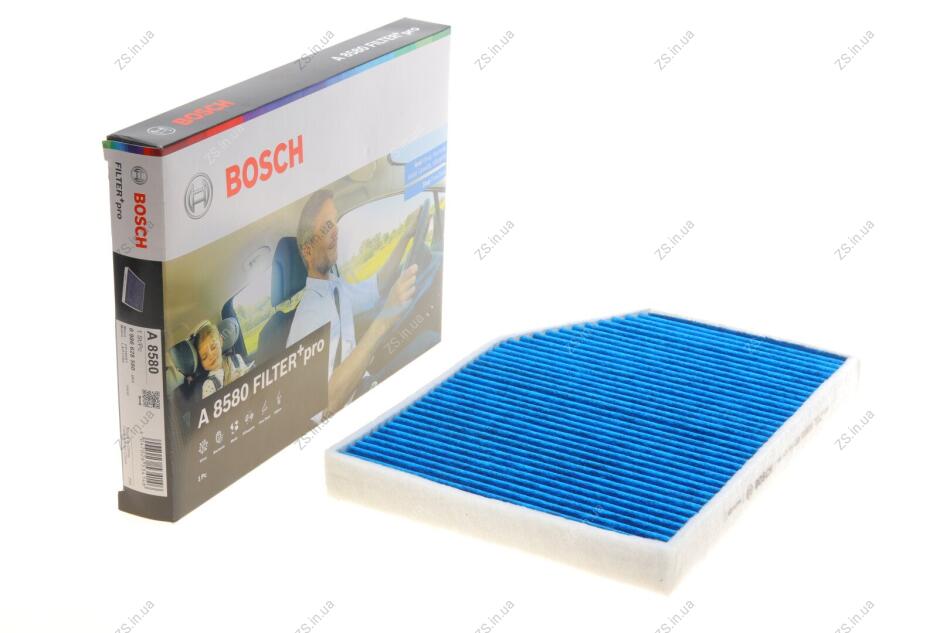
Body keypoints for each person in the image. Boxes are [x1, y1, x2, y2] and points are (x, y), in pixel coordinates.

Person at [286, 189, 418, 416]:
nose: (335, 230)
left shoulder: (336, 288)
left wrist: (406, 235)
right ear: (308, 251)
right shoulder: (307, 318)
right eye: (326, 227)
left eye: (335, 222)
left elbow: (378, 285)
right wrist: (385, 319)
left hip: (365, 385)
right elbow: (326, 404)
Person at [196, 321, 250, 398]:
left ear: (221, 341)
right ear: (201, 363)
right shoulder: (209, 384)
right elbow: (211, 405)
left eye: (213, 347)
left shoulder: (236, 359)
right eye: (204, 357)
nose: (210, 356)